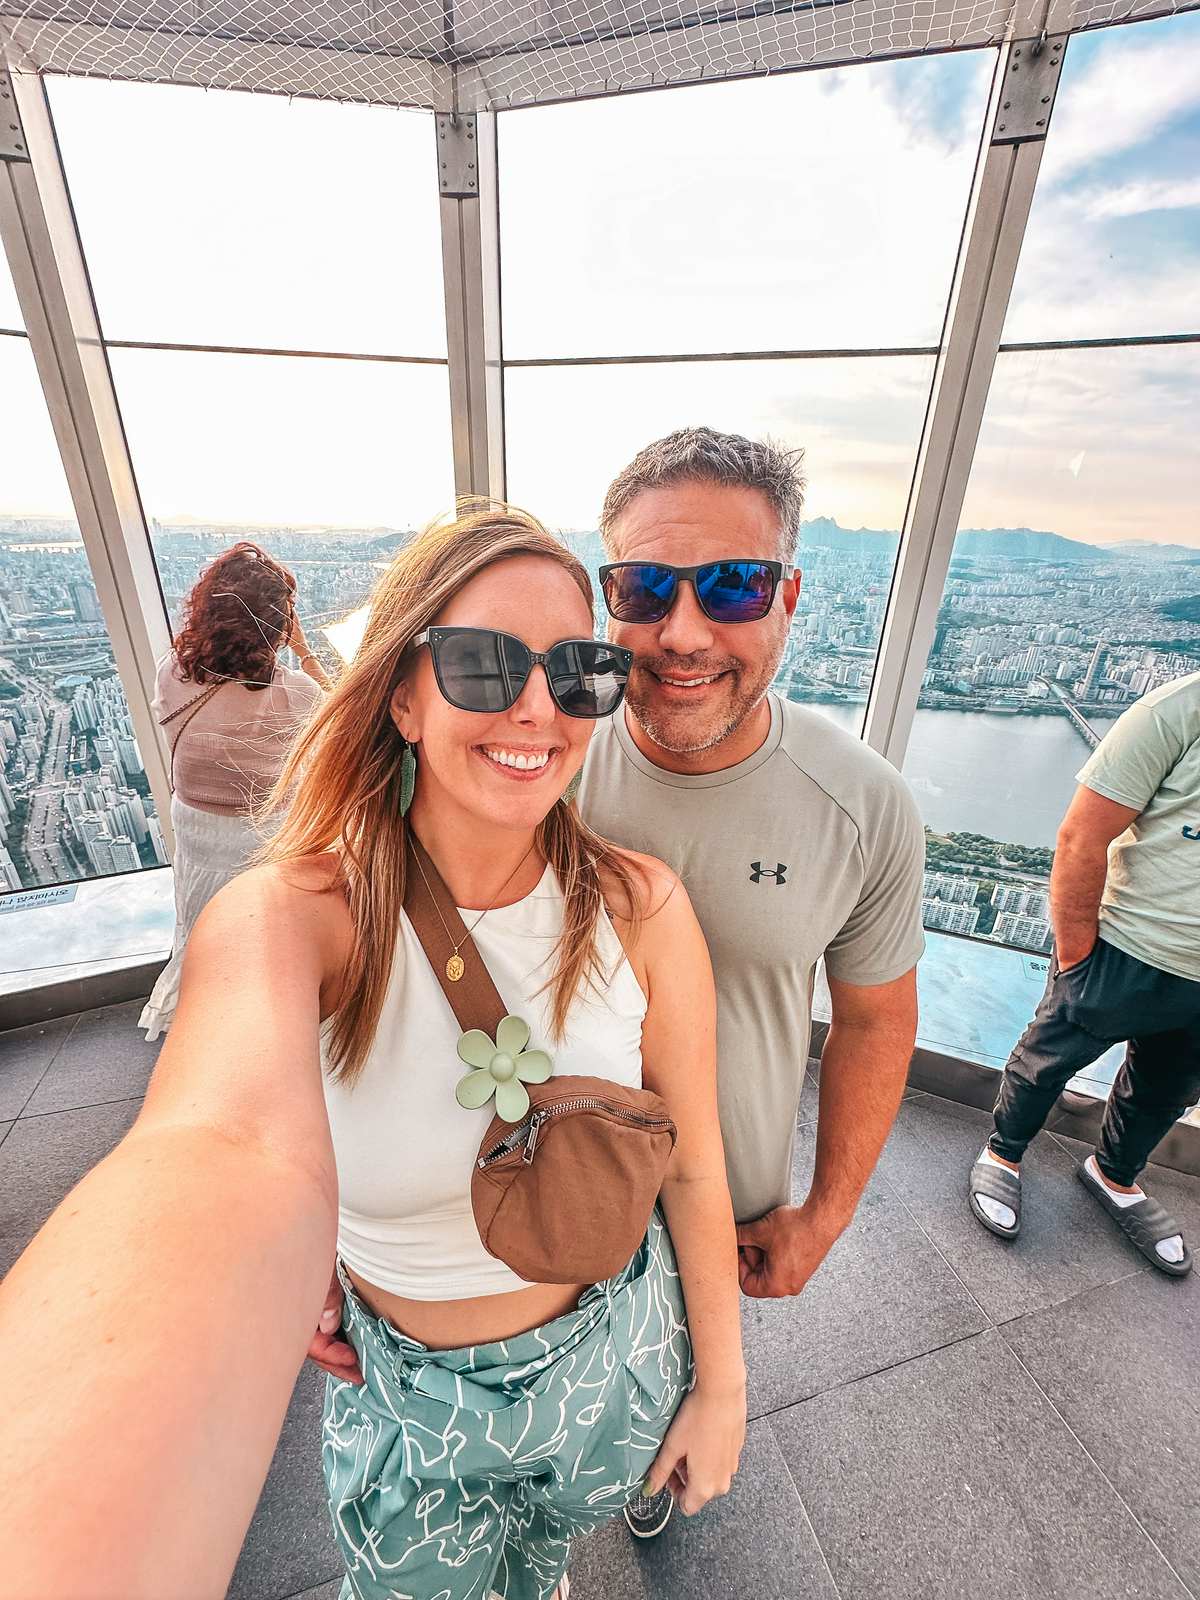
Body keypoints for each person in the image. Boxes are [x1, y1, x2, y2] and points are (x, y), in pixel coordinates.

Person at [0, 506, 746, 1600]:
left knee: (545, 1572)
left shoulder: (641, 910)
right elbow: (220, 1143)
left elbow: (692, 1160)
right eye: (486, 663)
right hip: (416, 1414)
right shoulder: (301, 918)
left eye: (578, 670)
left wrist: (721, 1386)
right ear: (402, 692)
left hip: (613, 1365)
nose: (540, 704)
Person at [311, 431, 923, 1544]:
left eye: (733, 585)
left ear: (788, 596)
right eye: (645, 588)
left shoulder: (859, 806)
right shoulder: (540, 765)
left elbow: (877, 1019)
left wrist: (824, 1215)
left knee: (659, 1422)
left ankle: (647, 1464)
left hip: (703, 1210)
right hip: (478, 1227)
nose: (684, 631)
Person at [968, 670, 1200, 1276]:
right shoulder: (1178, 710)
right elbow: (1080, 837)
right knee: (1050, 1059)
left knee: (1168, 1089)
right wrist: (1076, 959)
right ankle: (1005, 1152)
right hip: (1128, 944)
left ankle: (1116, 1175)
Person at [139, 541, 331, 1040]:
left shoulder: (174, 674)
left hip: (198, 834)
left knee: (204, 935)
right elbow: (346, 720)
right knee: (268, 946)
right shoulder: (295, 695)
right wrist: (304, 651)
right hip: (265, 842)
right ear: (279, 625)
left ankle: (209, 1029)